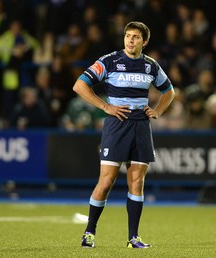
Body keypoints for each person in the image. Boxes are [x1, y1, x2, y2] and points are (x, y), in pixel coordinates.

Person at [72, 21, 175, 248]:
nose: (130, 40)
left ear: (144, 41)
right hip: (117, 125)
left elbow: (169, 91)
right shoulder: (109, 60)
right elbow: (79, 85)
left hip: (141, 125)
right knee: (107, 181)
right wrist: (105, 107)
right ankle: (89, 232)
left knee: (137, 183)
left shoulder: (151, 66)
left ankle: (133, 238)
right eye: (128, 36)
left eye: (136, 37)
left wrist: (157, 111)